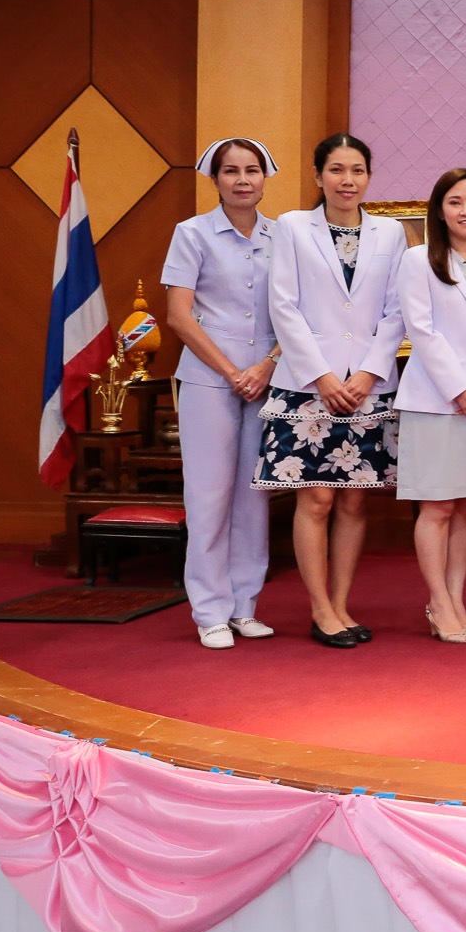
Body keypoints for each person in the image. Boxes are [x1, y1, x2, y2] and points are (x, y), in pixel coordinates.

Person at [258, 133, 406, 649]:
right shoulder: (293, 227)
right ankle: (320, 609)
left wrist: (368, 373)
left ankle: (342, 605)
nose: (348, 180)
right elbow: (284, 305)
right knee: (316, 498)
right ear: (318, 176)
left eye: (358, 170)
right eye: (337, 170)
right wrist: (321, 375)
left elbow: (396, 310)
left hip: (366, 384)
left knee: (354, 504)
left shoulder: (391, 233)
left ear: (369, 176)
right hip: (308, 384)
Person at [161, 138, 281, 650]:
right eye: (230, 171)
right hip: (211, 381)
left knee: (254, 497)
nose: (242, 180)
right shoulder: (191, 234)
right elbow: (178, 316)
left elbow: (299, 312)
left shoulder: (285, 236)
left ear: (264, 177)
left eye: (252, 170)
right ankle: (209, 610)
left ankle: (243, 605)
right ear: (215, 179)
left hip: (270, 379)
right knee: (209, 496)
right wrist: (235, 371)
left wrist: (268, 366)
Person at [395, 168, 466, 646]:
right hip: (436, 402)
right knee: (437, 507)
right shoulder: (419, 259)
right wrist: (460, 386)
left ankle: (457, 599)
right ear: (439, 210)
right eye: (456, 202)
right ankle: (438, 601)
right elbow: (421, 330)